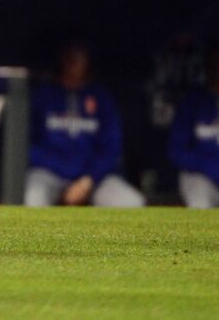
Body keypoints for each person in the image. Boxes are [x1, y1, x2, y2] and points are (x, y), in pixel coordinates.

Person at [25, 42, 145, 207]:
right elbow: (26, 145)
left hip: (95, 178)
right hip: (49, 173)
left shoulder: (101, 99)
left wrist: (88, 179)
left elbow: (111, 149)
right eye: (70, 57)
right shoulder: (43, 96)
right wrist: (64, 169)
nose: (74, 63)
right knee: (32, 198)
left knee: (132, 203)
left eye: (79, 58)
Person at [167, 40, 219, 208]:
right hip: (200, 174)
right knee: (200, 204)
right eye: (215, 63)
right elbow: (176, 151)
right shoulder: (192, 101)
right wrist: (209, 167)